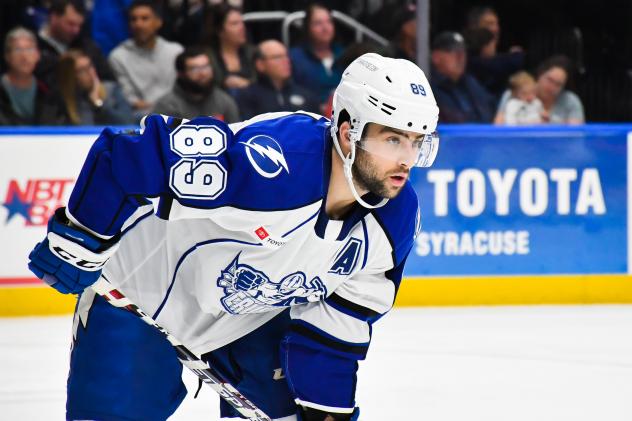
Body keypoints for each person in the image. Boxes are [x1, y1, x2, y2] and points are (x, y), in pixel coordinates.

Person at [27, 52, 440, 421]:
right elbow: (127, 156)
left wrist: (324, 412)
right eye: (392, 139)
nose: (406, 159)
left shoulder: (394, 221)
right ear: (349, 132)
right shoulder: (273, 166)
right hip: (139, 296)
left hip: (251, 317)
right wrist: (80, 238)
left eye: (416, 143)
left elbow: (340, 321)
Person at [108, 0, 183, 117]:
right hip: (140, 119)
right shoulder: (118, 56)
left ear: (158, 22)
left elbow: (182, 94)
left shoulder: (175, 52)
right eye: (134, 19)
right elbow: (130, 100)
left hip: (176, 114)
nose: (138, 24)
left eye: (145, 18)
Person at [36, 0, 114, 87]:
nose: (76, 31)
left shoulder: (87, 46)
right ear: (54, 17)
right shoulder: (35, 47)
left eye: (79, 25)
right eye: (71, 24)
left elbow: (108, 78)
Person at [234, 39, 319, 119]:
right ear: (260, 64)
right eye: (277, 57)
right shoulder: (247, 97)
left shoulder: (306, 95)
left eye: (286, 56)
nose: (286, 61)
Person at [0, 27, 68, 125]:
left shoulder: (49, 92)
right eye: (17, 49)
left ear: (38, 55)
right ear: (7, 56)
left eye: (29, 49)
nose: (24, 56)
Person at [152, 46, 240, 122]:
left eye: (206, 67)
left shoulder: (224, 102)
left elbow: (236, 136)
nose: (203, 73)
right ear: (181, 74)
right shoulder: (167, 106)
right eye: (195, 69)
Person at [495, 55, 584, 124]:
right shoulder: (515, 92)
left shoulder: (571, 101)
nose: (551, 87)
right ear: (540, 74)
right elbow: (498, 129)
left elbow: (575, 137)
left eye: (558, 84)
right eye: (549, 80)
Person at [430, 31, 495, 123]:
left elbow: (491, 108)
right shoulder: (428, 88)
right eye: (452, 52)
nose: (460, 57)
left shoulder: (471, 82)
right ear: (436, 57)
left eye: (463, 52)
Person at [57, 49, 134, 125]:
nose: (90, 72)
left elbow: (127, 122)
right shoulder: (63, 101)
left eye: (90, 66)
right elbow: (85, 130)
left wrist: (98, 105)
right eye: (82, 70)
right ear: (71, 76)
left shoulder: (112, 90)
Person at [290, 3, 343, 112]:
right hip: (311, 116)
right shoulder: (294, 57)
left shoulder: (343, 53)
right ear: (307, 27)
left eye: (329, 21)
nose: (325, 28)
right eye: (318, 23)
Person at [463, 6, 524, 99]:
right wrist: (516, 56)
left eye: (497, 24)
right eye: (489, 24)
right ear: (474, 26)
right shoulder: (464, 56)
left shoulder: (498, 57)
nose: (496, 29)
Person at [204, 4, 256, 91]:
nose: (242, 27)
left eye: (242, 23)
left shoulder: (253, 52)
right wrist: (223, 84)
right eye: (234, 24)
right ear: (219, 30)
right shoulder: (207, 57)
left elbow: (265, 85)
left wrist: (248, 84)